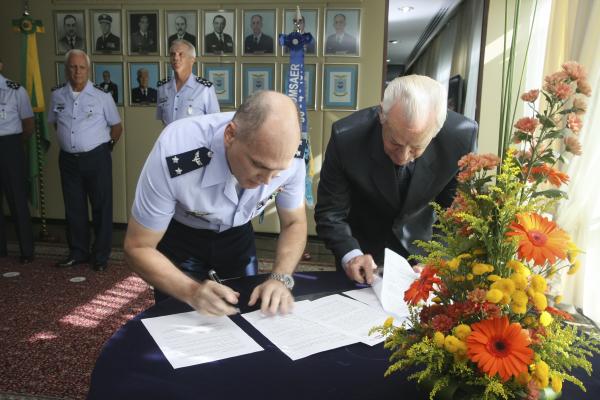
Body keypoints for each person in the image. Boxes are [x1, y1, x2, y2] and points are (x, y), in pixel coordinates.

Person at [124, 91, 307, 316]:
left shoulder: (292, 155)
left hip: (237, 235)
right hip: (182, 238)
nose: (267, 181)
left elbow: (294, 223)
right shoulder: (176, 149)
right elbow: (138, 247)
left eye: (278, 172)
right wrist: (190, 291)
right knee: (179, 318)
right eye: (258, 165)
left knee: (246, 317)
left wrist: (280, 277)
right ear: (230, 135)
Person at [314, 75, 478, 284]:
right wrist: (351, 254)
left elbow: (456, 215)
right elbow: (331, 212)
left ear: (436, 131)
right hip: (364, 255)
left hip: (424, 252)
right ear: (382, 114)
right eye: (394, 142)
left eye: (416, 147)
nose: (402, 158)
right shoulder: (346, 137)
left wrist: (437, 259)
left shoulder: (461, 137)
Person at [48, 49, 122, 272]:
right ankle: (78, 252)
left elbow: (117, 127)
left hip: (96, 158)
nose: (77, 71)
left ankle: (100, 256)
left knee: (101, 206)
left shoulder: (102, 96)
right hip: (68, 160)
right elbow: (55, 123)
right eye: (72, 66)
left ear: (88, 70)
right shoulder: (57, 95)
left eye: (81, 67)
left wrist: (105, 147)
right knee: (73, 208)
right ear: (66, 69)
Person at [0, 59, 35, 264]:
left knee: (17, 199)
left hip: (10, 146)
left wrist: (13, 145)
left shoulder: (15, 90)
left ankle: (27, 250)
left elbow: (28, 124)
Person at [157, 40, 219, 126]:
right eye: (172, 54)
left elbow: (215, 123)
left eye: (181, 54)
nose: (175, 58)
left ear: (192, 60)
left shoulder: (204, 88)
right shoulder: (162, 87)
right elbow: (163, 121)